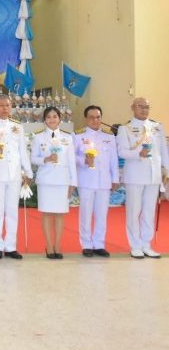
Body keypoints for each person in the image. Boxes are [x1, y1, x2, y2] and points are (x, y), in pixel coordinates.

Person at [0, 94, 33, 260]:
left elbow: (22, 150)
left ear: (11, 107)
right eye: (1, 105)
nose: (5, 108)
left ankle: (11, 246)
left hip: (14, 174)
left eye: (8, 105)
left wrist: (28, 171)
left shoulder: (17, 126)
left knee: (12, 211)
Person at [117, 97, 169, 258]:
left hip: (153, 176)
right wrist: (138, 154)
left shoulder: (157, 127)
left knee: (149, 212)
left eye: (147, 107)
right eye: (140, 106)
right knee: (133, 212)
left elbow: (163, 151)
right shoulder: (125, 129)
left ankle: (146, 244)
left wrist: (167, 171)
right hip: (135, 175)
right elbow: (122, 152)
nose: (144, 110)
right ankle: (135, 245)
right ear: (132, 107)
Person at [73, 105, 119, 257]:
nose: (95, 120)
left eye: (98, 117)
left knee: (102, 214)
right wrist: (83, 160)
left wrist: (115, 178)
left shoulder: (109, 136)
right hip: (86, 180)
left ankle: (99, 244)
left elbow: (113, 159)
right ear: (86, 119)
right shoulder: (78, 136)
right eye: (91, 117)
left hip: (104, 181)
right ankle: (86, 244)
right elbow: (71, 156)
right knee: (85, 214)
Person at [31, 106, 77, 259]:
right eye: (49, 117)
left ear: (60, 119)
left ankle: (58, 245)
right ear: (44, 120)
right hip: (46, 180)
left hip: (62, 180)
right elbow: (33, 158)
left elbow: (71, 161)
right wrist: (46, 159)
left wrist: (73, 182)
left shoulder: (68, 137)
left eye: (55, 117)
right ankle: (49, 246)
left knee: (59, 214)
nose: (52, 120)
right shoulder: (38, 137)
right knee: (46, 214)